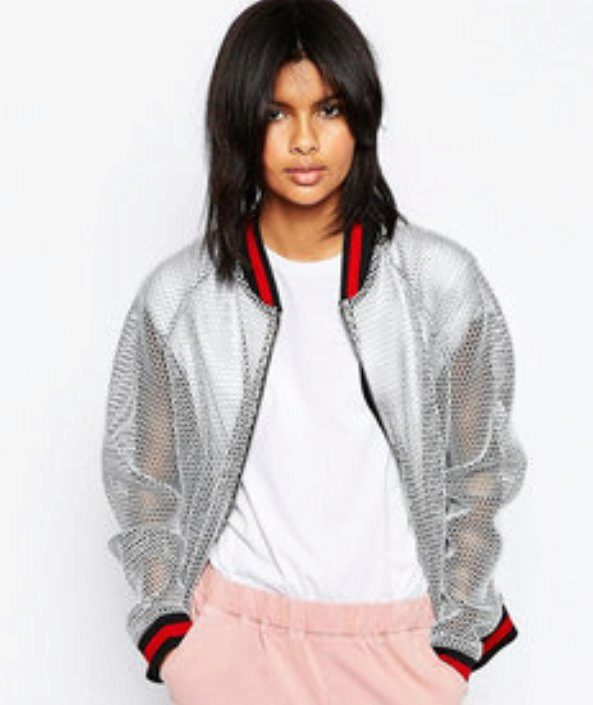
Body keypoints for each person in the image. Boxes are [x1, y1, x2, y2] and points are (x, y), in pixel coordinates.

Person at [101, 1, 527, 703]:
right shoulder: (179, 297)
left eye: (328, 110)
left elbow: (479, 472)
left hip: (398, 643)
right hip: (235, 642)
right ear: (238, 124)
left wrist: (451, 644)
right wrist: (175, 640)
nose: (304, 140)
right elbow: (143, 483)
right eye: (276, 113)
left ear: (360, 116)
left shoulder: (440, 283)